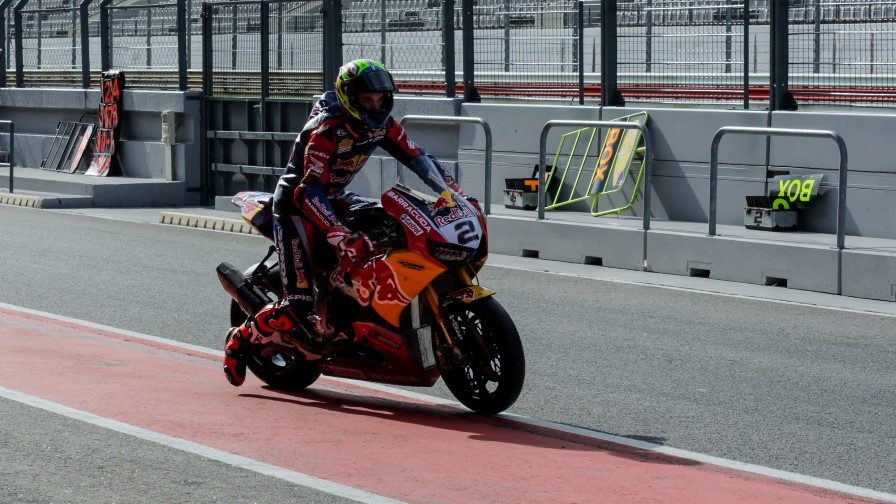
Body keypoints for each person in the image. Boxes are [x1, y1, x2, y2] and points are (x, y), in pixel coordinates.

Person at [223, 59, 468, 386]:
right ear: (349, 98)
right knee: (298, 305)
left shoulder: (381, 125)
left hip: (334, 197)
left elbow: (416, 156)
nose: (375, 106)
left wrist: (451, 189)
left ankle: (364, 309)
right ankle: (240, 338)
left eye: (380, 99)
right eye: (367, 100)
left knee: (391, 227)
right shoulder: (327, 129)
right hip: (297, 206)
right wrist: (340, 234)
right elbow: (308, 191)